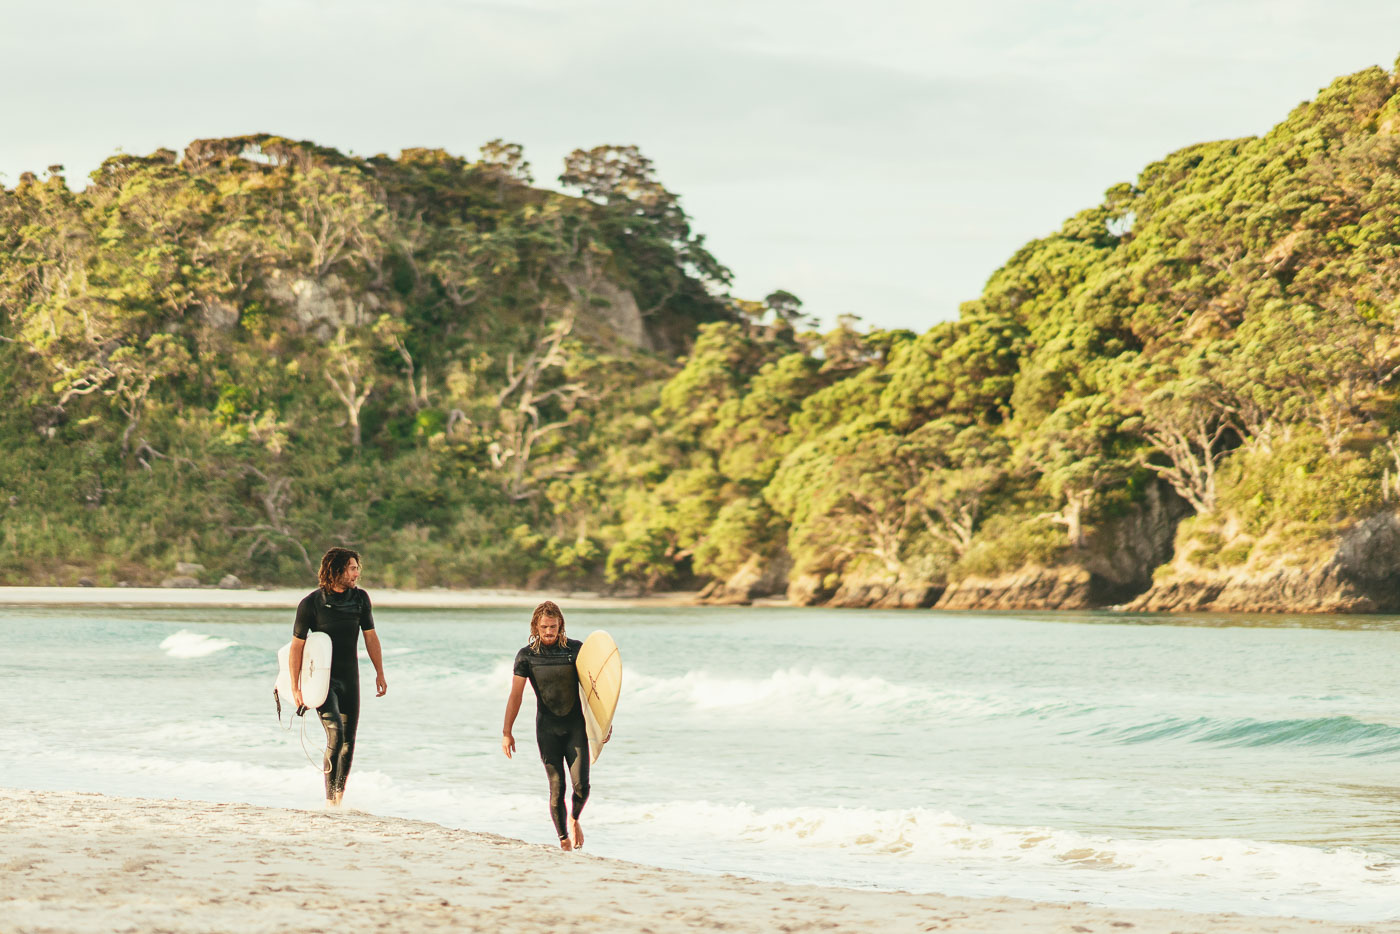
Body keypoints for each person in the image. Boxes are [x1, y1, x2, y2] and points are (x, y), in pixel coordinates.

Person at [289, 547, 387, 806]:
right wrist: (296, 687)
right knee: (336, 735)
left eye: (357, 568)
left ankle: (339, 797)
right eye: (353, 568)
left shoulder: (361, 599)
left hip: (349, 677)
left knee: (349, 740)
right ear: (337, 570)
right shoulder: (311, 603)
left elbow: (370, 636)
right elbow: (297, 646)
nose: (357, 573)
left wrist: (379, 672)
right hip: (322, 682)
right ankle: (329, 799)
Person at [502, 600, 590, 850]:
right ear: (535, 627)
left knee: (581, 786)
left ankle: (574, 818)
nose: (549, 632)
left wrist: (602, 724)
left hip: (575, 727)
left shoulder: (576, 650)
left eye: (553, 626)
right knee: (557, 787)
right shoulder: (527, 656)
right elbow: (515, 695)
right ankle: (563, 839)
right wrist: (507, 732)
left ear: (560, 625)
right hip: (547, 728)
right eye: (544, 627)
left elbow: (594, 691)